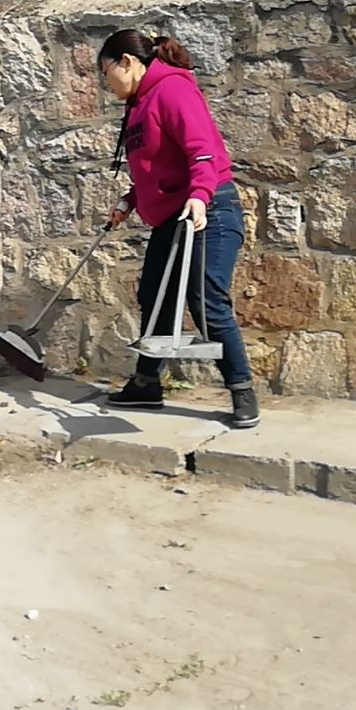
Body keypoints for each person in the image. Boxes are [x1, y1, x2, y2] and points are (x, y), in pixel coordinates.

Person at [97, 30, 259, 429]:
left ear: (126, 62)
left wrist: (201, 195)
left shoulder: (172, 90)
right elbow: (159, 168)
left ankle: (242, 389)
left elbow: (202, 150)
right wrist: (130, 200)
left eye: (105, 72)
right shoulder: (139, 104)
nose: (105, 83)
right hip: (174, 216)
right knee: (155, 297)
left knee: (206, 300)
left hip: (209, 210)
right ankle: (146, 384)